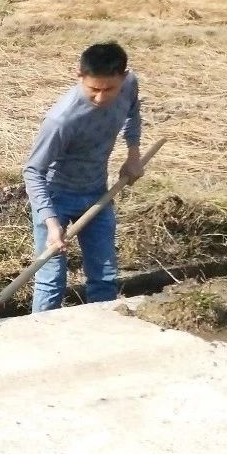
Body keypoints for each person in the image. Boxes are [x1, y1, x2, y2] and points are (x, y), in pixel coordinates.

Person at [23, 41, 143, 312]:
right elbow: (33, 171)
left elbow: (133, 113)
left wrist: (133, 155)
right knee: (51, 279)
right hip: (56, 198)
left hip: (98, 194)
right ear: (79, 76)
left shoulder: (130, 85)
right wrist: (52, 223)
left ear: (123, 78)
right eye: (93, 89)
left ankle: (102, 336)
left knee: (105, 276)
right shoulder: (62, 119)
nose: (101, 97)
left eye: (108, 89)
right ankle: (41, 338)